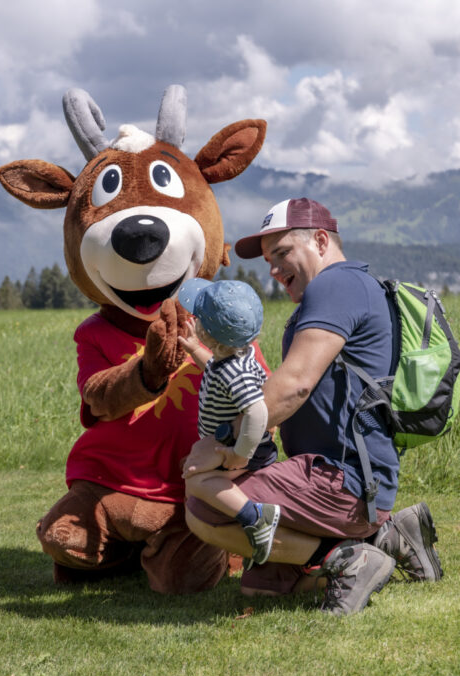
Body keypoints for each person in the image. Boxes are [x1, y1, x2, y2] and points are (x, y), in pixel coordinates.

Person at [184, 198, 443, 615]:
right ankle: (388, 538)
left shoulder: (336, 285)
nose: (273, 268)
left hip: (341, 479)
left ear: (321, 240)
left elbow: (294, 386)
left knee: (205, 507)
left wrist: (227, 446)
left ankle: (348, 561)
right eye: (269, 259)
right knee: (261, 590)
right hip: (335, 475)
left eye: (282, 253)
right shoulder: (339, 290)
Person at [177, 279, 280, 568]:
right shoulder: (233, 356)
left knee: (197, 480)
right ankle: (244, 540)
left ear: (208, 333)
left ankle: (256, 519)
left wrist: (239, 455)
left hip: (246, 450)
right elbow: (212, 365)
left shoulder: (235, 372)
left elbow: (257, 413)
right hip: (235, 445)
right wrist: (194, 348)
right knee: (197, 482)